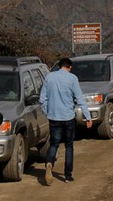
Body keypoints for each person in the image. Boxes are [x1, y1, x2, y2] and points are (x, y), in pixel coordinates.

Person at [39, 57, 93, 185]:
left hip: (54, 117)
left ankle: (49, 163)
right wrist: (88, 117)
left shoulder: (49, 77)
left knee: (54, 144)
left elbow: (42, 99)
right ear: (69, 67)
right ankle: (68, 175)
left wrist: (48, 112)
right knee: (69, 146)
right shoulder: (72, 78)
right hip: (68, 117)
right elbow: (80, 98)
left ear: (59, 66)